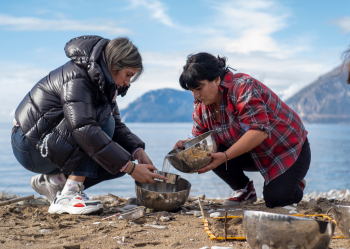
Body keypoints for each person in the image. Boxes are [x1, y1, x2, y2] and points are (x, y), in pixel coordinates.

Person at [11, 35, 166, 215]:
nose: (127, 83)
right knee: (102, 133)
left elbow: (115, 125)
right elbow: (84, 127)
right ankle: (69, 194)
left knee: (117, 164)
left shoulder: (101, 82)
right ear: (115, 64)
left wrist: (137, 152)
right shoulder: (78, 76)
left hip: (48, 143)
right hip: (29, 144)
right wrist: (131, 168)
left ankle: (55, 182)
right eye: (128, 75)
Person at [173, 53, 310, 208]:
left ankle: (292, 180)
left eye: (199, 88)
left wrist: (225, 156)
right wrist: (188, 145)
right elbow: (201, 138)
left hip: (287, 149)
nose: (196, 95)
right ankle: (244, 190)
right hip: (252, 152)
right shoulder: (200, 104)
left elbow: (259, 131)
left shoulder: (243, 86)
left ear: (217, 79)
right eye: (192, 90)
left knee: (277, 200)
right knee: (204, 152)